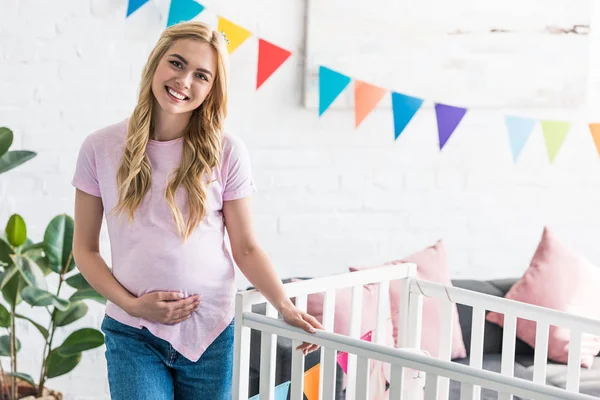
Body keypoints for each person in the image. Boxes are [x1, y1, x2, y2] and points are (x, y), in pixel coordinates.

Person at [71, 21, 323, 399]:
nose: (184, 80)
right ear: (156, 63)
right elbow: (84, 250)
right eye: (176, 63)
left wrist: (285, 306)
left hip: (212, 335)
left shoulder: (227, 151)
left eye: (201, 75)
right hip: (133, 333)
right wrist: (133, 305)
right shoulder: (99, 147)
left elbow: (246, 247)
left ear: (211, 89)